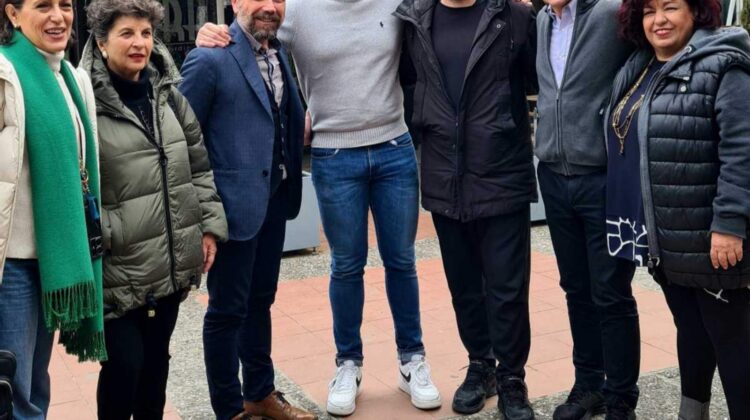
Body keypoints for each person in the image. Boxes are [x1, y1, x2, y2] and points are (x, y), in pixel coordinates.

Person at [195, 0, 442, 416]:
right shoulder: (295, 12)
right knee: (345, 266)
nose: (270, 4)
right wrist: (208, 31)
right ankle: (348, 364)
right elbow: (249, 34)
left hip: (393, 149)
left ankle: (412, 360)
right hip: (334, 155)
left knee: (402, 261)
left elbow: (445, 21)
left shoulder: (396, 3)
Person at [78, 0, 229, 418]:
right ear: (102, 42)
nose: (139, 43)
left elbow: (199, 166)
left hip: (168, 264)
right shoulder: (84, 105)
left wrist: (208, 227)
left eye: (146, 33)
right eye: (126, 33)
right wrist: (108, 233)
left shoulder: (169, 96)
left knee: (155, 366)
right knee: (124, 367)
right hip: (119, 267)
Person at [394, 0, 538, 419]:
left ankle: (512, 378)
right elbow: (407, 82)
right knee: (464, 286)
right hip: (444, 174)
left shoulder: (514, 16)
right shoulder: (414, 20)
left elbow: (540, 76)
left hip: (502, 172)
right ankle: (480, 366)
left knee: (508, 288)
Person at [608, 0, 750, 418]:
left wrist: (729, 223)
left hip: (712, 240)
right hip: (666, 238)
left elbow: (742, 150)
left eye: (670, 7)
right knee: (691, 329)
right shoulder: (640, 68)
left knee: (734, 343)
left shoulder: (725, 66)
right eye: (649, 11)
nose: (659, 20)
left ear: (696, 12)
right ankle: (692, 411)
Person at [180, 0, 316, 419]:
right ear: (235, 2)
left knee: (260, 301)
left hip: (274, 200)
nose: (270, 7)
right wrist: (202, 217)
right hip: (230, 210)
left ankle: (259, 391)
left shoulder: (279, 53)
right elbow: (183, 141)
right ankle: (229, 409)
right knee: (226, 312)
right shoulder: (209, 58)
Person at [0, 0, 107, 417]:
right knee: (13, 389)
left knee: (35, 383)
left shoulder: (69, 77)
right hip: (12, 261)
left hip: (52, 257)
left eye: (64, 5)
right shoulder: (5, 73)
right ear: (13, 14)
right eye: (43, 5)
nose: (58, 16)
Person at [533, 1, 639, 419]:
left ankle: (621, 396)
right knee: (576, 289)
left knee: (610, 292)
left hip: (602, 177)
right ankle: (589, 384)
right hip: (554, 176)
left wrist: (614, 118)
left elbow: (651, 56)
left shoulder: (612, 12)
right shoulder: (543, 21)